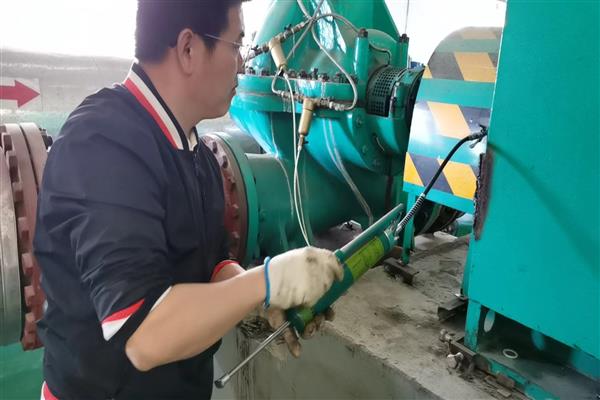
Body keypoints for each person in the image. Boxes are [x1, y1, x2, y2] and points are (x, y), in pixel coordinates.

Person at [33, 1, 343, 398]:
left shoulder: (194, 151)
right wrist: (267, 281)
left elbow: (209, 265)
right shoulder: (103, 144)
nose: (242, 64)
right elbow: (146, 336)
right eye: (236, 45)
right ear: (188, 49)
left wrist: (265, 297)